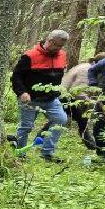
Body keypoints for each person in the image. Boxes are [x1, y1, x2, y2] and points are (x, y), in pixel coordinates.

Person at [11, 29, 71, 161]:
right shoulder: (30, 56)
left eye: (61, 46)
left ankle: (47, 153)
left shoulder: (62, 55)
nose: (58, 49)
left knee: (60, 119)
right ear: (49, 41)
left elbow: (60, 75)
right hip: (30, 99)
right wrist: (22, 92)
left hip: (51, 98)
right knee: (26, 126)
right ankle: (20, 154)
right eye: (56, 45)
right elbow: (16, 76)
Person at [62, 52, 105, 154]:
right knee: (81, 119)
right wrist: (91, 103)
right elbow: (78, 90)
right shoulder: (86, 70)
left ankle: (88, 141)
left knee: (78, 120)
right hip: (66, 96)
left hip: (70, 96)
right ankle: (88, 141)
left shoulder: (92, 69)